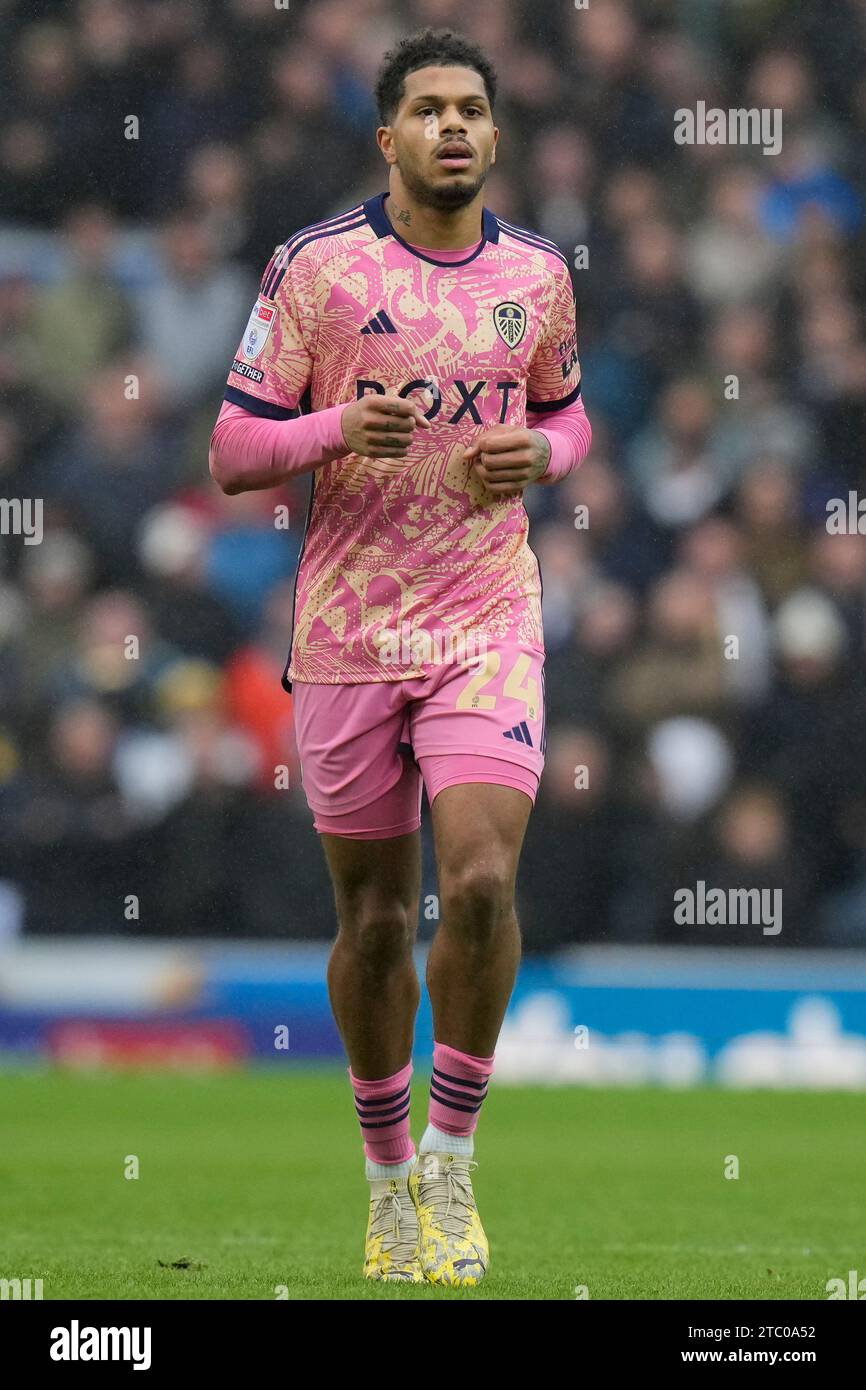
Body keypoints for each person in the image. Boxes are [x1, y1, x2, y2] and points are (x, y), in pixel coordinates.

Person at [209, 27, 591, 1287]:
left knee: (478, 882)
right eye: (425, 109)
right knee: (373, 918)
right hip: (352, 631)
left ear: (494, 131)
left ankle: (451, 1159)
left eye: (470, 108)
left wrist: (548, 457)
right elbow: (230, 447)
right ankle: (382, 1184)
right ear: (387, 138)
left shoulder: (536, 275)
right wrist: (331, 430)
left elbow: (566, 410)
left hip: (486, 615)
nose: (451, 127)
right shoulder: (314, 270)